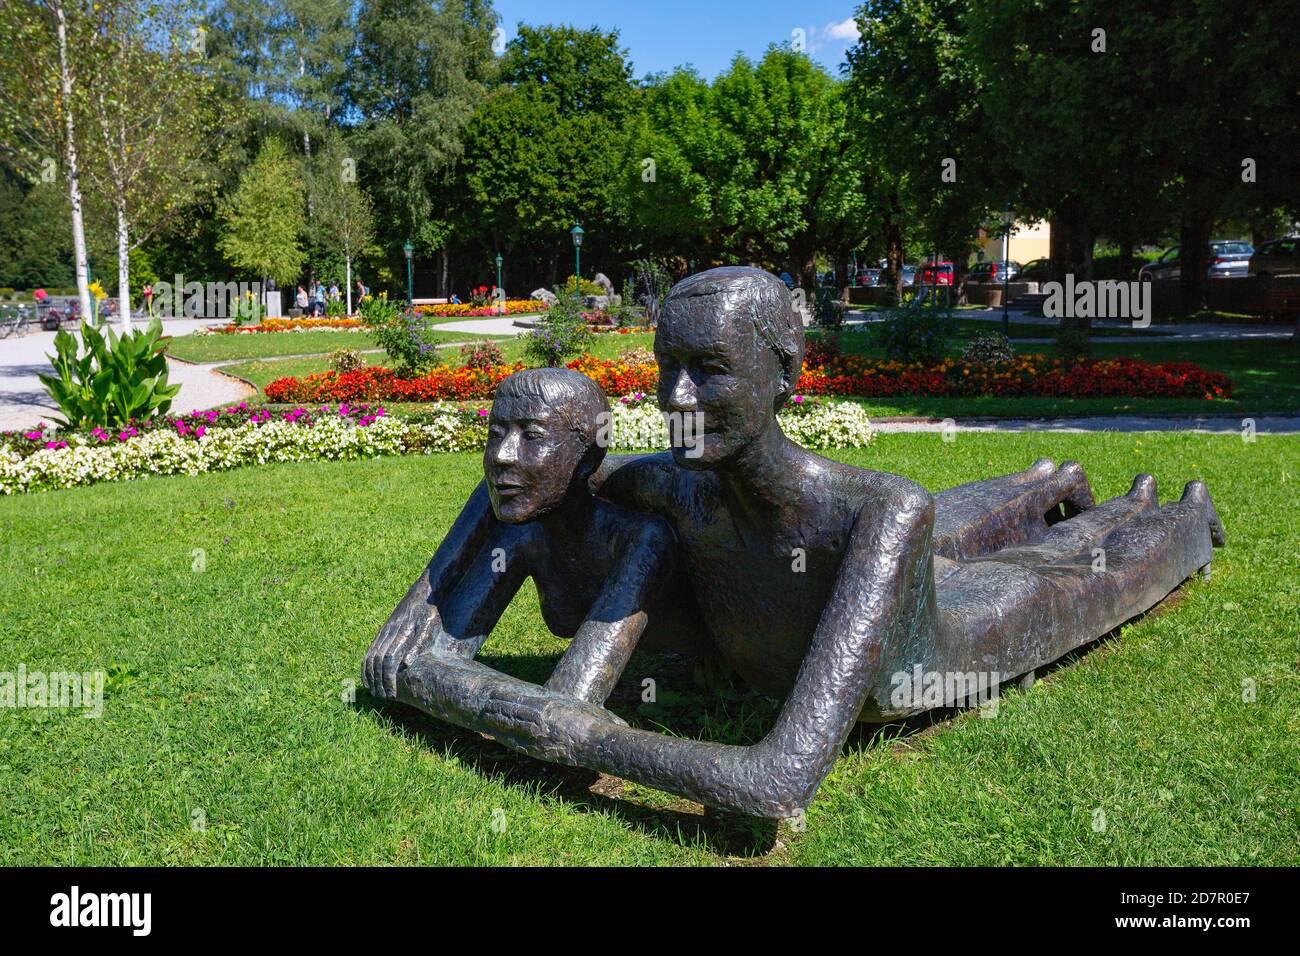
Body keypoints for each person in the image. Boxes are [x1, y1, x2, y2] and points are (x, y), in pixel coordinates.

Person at [368, 266, 1223, 818]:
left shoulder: (876, 510)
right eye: (666, 367)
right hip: (861, 556)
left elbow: (775, 780)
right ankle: (1049, 482)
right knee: (949, 522)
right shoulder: (671, 483)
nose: (677, 397)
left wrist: (568, 730)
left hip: (940, 644)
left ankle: (1175, 514)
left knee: (1071, 567)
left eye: (708, 369)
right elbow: (533, 479)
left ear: (785, 374)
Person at [366, 368, 687, 715]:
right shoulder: (522, 532)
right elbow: (425, 661)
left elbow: (568, 703)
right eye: (496, 433)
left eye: (532, 436)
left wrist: (457, 690)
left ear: (588, 459)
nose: (502, 455)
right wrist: (525, 708)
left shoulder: (640, 540)